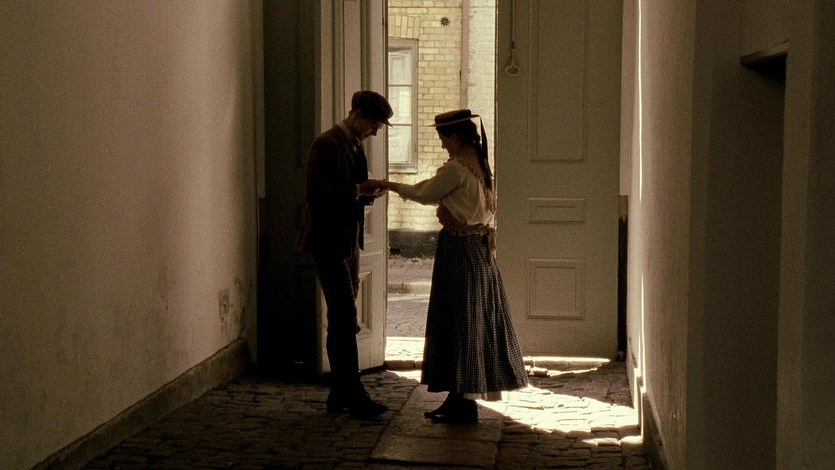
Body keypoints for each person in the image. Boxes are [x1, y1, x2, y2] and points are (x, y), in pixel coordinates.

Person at [374, 109, 528, 424]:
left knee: (457, 321)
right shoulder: (480, 165)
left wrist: (386, 184)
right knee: (470, 322)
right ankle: (461, 399)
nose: (443, 145)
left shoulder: (457, 168)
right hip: (478, 251)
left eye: (443, 139)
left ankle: (461, 403)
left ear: (455, 137)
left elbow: (424, 193)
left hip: (460, 250)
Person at [297, 90, 392, 419]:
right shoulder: (326, 144)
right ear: (357, 114)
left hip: (348, 242)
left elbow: (353, 191)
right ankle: (352, 392)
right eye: (374, 125)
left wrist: (368, 193)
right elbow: (316, 193)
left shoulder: (354, 146)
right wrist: (358, 190)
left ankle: (340, 395)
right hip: (327, 241)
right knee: (344, 316)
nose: (375, 132)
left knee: (342, 318)